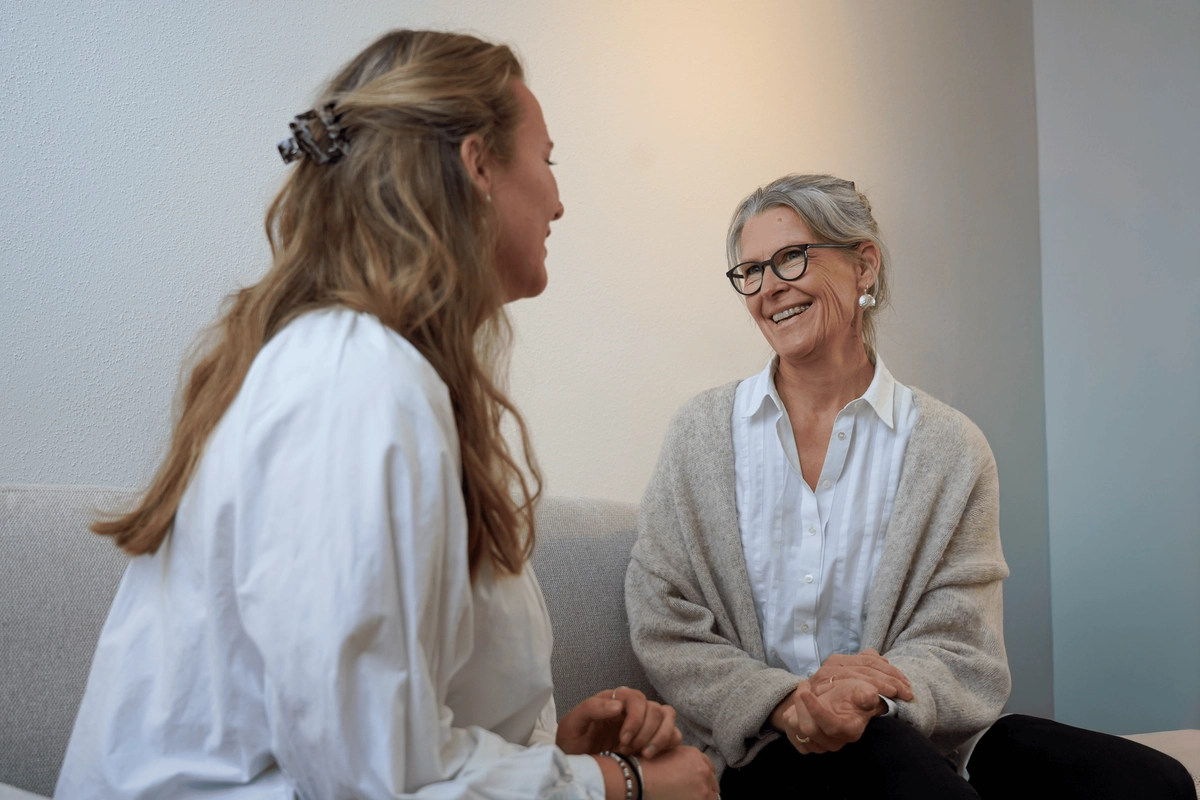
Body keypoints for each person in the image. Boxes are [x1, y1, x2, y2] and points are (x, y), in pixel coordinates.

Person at [55, 30, 718, 800]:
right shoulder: (355, 382)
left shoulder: (377, 376)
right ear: (478, 166)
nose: (559, 201)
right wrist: (618, 785)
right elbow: (368, 777)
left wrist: (559, 754)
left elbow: (384, 735)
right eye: (548, 159)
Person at [624, 174, 1195, 798]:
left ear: (863, 265)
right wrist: (786, 702)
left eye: (791, 257)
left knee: (1156, 784)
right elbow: (664, 618)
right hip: (761, 754)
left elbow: (963, 643)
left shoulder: (951, 448)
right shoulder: (700, 436)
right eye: (752, 271)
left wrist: (873, 695)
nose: (770, 287)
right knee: (893, 762)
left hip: (912, 735)